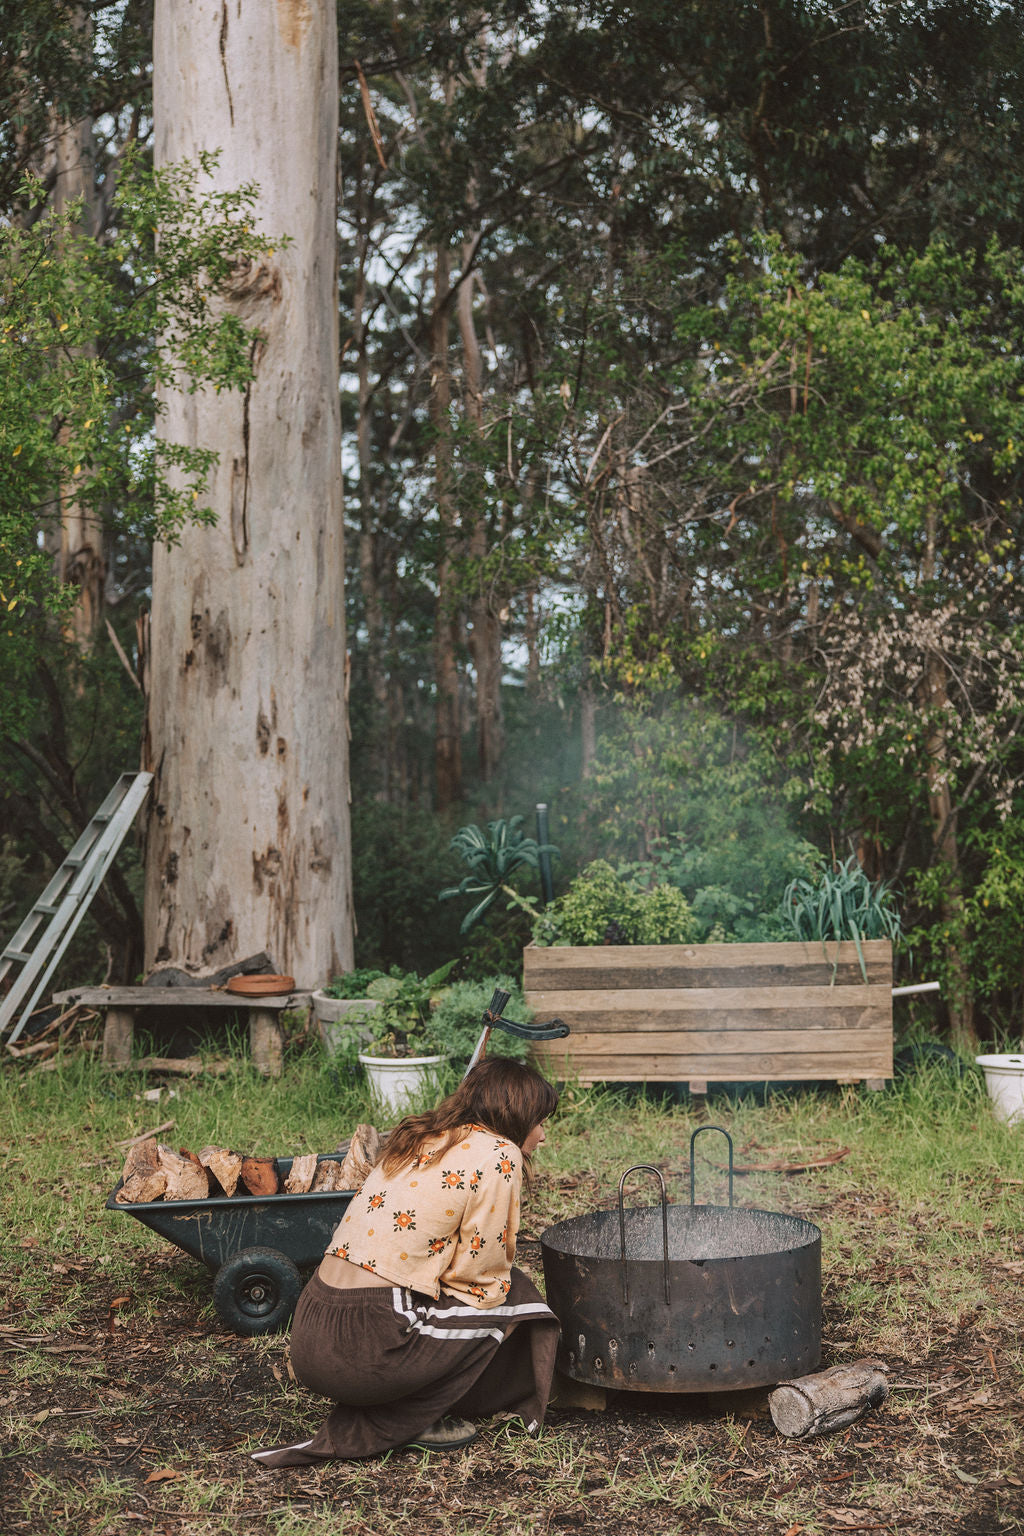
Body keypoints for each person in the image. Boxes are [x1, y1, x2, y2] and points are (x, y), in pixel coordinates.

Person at [251, 1057, 560, 1465]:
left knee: (486, 1294)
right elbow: (479, 1274)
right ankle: (415, 1416)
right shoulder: (499, 1153)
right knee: (517, 1295)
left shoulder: (426, 1137)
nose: (542, 1135)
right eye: (540, 1120)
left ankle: (410, 1399)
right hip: (367, 1344)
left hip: (310, 1329)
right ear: (517, 1113)